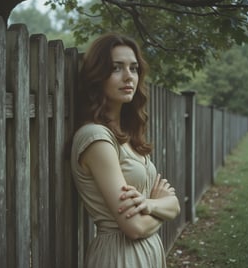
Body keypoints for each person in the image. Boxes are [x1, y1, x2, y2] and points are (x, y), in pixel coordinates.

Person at [71, 33, 180, 267]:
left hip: (148, 252)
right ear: (97, 76)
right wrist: (162, 207)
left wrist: (150, 205)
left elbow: (175, 204)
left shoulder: (130, 139)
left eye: (134, 68)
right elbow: (134, 226)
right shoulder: (96, 138)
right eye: (116, 68)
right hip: (120, 256)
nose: (129, 76)